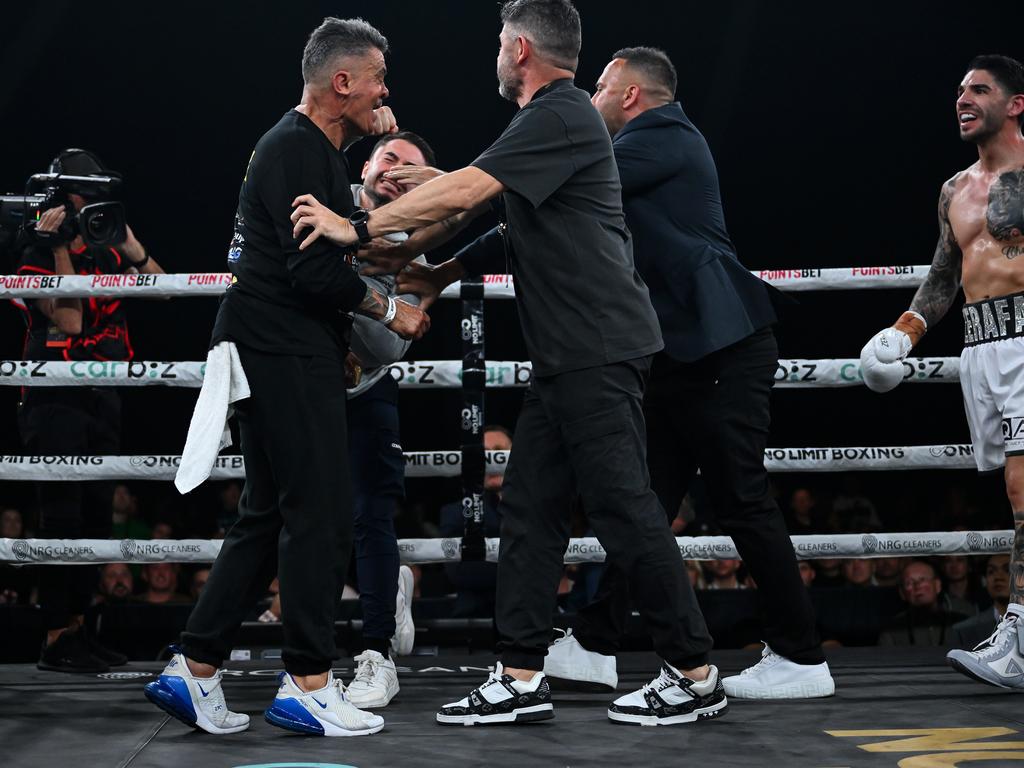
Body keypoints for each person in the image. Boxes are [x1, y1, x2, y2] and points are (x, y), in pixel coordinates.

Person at [292, 0, 727, 728]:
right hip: (567, 355)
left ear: (519, 48)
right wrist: (425, 264)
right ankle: (521, 673)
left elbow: (469, 189)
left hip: (598, 348)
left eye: (500, 41)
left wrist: (357, 225)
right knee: (528, 511)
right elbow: (487, 206)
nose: (496, 52)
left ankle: (696, 671)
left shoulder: (560, 114)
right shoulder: (545, 122)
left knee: (623, 507)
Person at [143, 17, 427, 738]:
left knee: (267, 514)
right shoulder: (302, 153)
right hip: (286, 351)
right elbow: (313, 269)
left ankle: (196, 666)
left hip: (264, 346)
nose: (385, 91)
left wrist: (362, 138)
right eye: (376, 79)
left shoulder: (300, 146)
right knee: (319, 512)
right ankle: (307, 679)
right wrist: (390, 310)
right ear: (342, 82)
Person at [539, 46, 832, 699]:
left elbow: (554, 181)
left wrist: (449, 186)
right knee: (639, 499)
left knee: (740, 499)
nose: (591, 97)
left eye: (601, 85)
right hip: (677, 355)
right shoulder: (639, 148)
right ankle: (593, 641)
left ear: (632, 95)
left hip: (724, 344)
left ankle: (802, 656)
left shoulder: (663, 136)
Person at [858, 54, 1024, 687]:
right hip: (982, 349)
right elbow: (944, 275)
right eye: (959, 90)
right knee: (1012, 498)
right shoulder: (955, 189)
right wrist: (904, 333)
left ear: (1015, 104)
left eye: (980, 89)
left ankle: (1019, 634)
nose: (963, 98)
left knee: (1021, 492)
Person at [15, 148, 163, 674]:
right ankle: (56, 637)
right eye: (83, 196)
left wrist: (127, 242)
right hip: (55, 397)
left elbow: (162, 288)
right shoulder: (34, 248)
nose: (91, 204)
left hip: (103, 396)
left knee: (98, 520)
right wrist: (58, 247)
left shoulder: (106, 250)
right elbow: (71, 323)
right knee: (61, 520)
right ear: (62, 198)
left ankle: (81, 628)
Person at [341, 130, 440, 709]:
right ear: (366, 167)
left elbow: (391, 344)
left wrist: (345, 315)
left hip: (368, 389)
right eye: (387, 158)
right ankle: (306, 662)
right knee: (297, 516)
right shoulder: (331, 201)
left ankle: (376, 653)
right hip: (306, 387)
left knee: (371, 516)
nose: (395, 169)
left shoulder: (423, 240)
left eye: (410, 165)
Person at [439, 425, 511, 617]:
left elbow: (548, 567)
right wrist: (523, 564)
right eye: (485, 454)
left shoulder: (538, 509)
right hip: (475, 620)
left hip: (533, 617)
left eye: (499, 452)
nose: (493, 461)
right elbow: (461, 572)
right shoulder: (456, 513)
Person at [878, 561, 969, 646]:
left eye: (922, 580)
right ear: (902, 593)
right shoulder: (893, 631)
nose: (917, 586)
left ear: (937, 585)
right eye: (909, 582)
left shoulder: (961, 624)